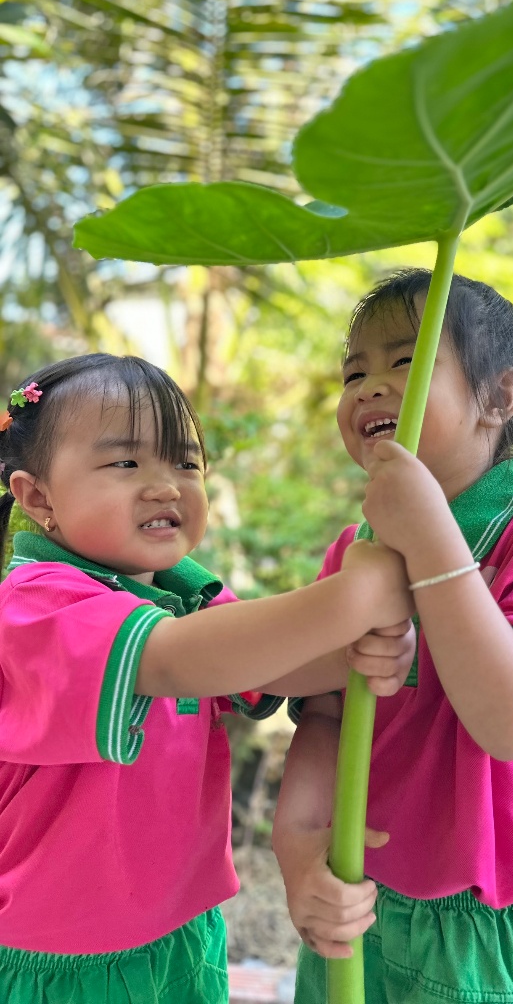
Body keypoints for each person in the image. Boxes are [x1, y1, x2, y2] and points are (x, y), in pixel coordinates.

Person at [0, 352, 417, 1004]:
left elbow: (266, 665)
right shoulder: (33, 604)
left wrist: (353, 652)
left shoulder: (182, 597)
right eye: (125, 462)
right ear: (38, 496)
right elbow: (170, 661)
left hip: (184, 933)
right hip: (61, 960)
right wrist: (351, 600)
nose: (166, 484)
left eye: (186, 462)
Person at [273, 269, 513, 1004]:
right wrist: (300, 855)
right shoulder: (356, 547)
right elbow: (325, 715)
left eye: (404, 361)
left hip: (490, 930)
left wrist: (430, 544)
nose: (369, 386)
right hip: (361, 909)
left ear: (499, 397)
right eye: (353, 370)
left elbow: (512, 724)